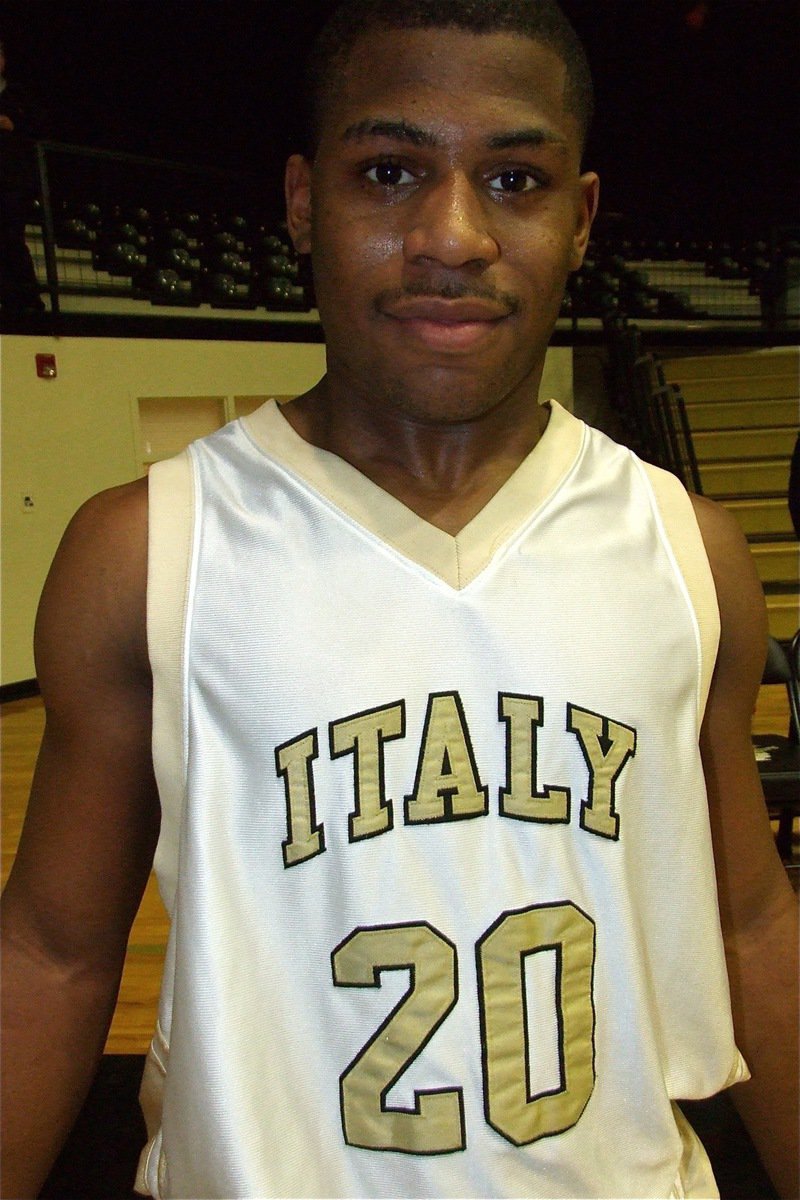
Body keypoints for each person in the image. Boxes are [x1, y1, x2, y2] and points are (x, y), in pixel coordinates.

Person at [2, 1, 798, 1196]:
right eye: (388, 172)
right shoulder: (148, 548)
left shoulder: (685, 551)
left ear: (577, 218)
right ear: (301, 200)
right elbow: (53, 951)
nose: (451, 233)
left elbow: (747, 926)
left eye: (513, 177)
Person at [0, 38, 45, 316]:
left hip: (13, 179)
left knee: (11, 237)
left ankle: (30, 300)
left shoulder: (18, 94)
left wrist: (13, 124)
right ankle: (10, 300)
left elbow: (38, 125)